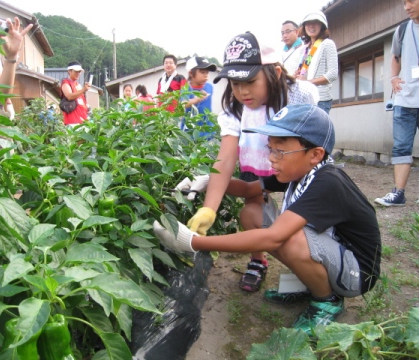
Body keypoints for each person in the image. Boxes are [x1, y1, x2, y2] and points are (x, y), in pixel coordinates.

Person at [155, 104, 382, 336]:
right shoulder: (300, 171)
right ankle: (312, 284)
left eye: (279, 152)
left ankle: (328, 300)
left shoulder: (327, 182)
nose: (271, 159)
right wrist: (206, 181)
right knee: (252, 213)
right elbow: (246, 189)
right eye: (270, 148)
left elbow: (274, 238)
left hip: (357, 275)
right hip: (336, 255)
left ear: (315, 154)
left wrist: (192, 242)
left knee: (290, 237)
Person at [175, 32, 318, 292]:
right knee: (251, 209)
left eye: (250, 81)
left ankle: (312, 264)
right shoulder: (237, 109)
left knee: (299, 225)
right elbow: (226, 157)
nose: (241, 91)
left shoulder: (298, 96)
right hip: (260, 167)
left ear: (274, 73)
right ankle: (257, 259)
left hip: (297, 168)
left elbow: (315, 143)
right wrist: (209, 208)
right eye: (234, 83)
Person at [374, 0, 419, 207]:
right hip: (405, 98)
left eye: (411, 1)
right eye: (404, 2)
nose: (406, 6)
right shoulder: (402, 29)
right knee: (401, 147)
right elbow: (395, 56)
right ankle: (398, 193)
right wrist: (393, 77)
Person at [296, 11, 338, 114]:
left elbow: (332, 74)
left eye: (315, 22)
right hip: (304, 99)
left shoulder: (327, 44)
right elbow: (303, 73)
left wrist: (307, 83)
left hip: (321, 100)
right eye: (308, 23)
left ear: (322, 25)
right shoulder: (305, 49)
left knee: (318, 130)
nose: (311, 26)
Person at [180, 56, 217, 138]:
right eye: (203, 72)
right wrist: (197, 99)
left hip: (207, 131)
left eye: (207, 73)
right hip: (189, 132)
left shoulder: (209, 87)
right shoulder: (186, 88)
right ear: (191, 73)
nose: (206, 75)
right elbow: (182, 104)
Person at [61, 61, 91, 126]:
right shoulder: (66, 83)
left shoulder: (78, 85)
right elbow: (69, 96)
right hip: (72, 121)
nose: (78, 73)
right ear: (69, 71)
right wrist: (83, 89)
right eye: (76, 71)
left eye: (79, 72)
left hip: (82, 120)